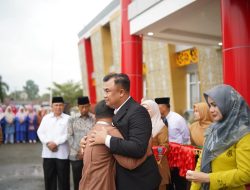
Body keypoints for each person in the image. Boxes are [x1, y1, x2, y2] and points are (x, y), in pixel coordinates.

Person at [86, 73, 161, 190]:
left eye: (107, 91)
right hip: (125, 178)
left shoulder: (137, 111)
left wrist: (106, 139)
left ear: (121, 92)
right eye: (104, 91)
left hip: (139, 181)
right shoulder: (117, 111)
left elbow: (138, 148)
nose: (105, 95)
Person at [186, 84, 250, 189]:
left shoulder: (243, 133)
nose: (211, 110)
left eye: (215, 105)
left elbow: (246, 174)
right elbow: (200, 166)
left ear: (228, 104)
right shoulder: (212, 130)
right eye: (210, 105)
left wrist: (209, 178)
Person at [79, 100, 152, 190]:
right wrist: (147, 146)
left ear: (96, 115)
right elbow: (130, 164)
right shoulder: (110, 132)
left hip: (85, 185)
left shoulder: (91, 131)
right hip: (101, 186)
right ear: (115, 114)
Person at [155, 97, 190, 190]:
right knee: (167, 181)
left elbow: (186, 137)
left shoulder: (177, 119)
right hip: (164, 156)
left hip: (177, 155)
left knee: (179, 182)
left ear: (164, 107)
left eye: (157, 106)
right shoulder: (157, 120)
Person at [37, 96, 70, 190]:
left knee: (64, 180)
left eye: (60, 105)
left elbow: (69, 133)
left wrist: (56, 143)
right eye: (56, 105)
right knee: (49, 179)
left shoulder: (68, 119)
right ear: (52, 106)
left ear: (63, 106)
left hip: (62, 154)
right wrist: (48, 143)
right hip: (48, 154)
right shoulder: (46, 118)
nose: (58, 107)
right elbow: (40, 132)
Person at [141, 99, 171, 190]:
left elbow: (165, 147)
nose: (144, 111)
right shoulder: (141, 124)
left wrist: (149, 149)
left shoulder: (161, 126)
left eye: (147, 109)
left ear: (154, 110)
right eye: (142, 109)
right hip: (143, 165)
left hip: (158, 166)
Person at [67, 96, 95, 190]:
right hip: (76, 155)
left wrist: (86, 151)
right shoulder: (72, 119)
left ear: (89, 106)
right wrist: (80, 150)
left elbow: (95, 135)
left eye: (86, 106)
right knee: (77, 181)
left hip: (91, 155)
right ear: (77, 106)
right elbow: (69, 136)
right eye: (82, 107)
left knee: (91, 181)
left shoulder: (94, 119)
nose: (84, 109)